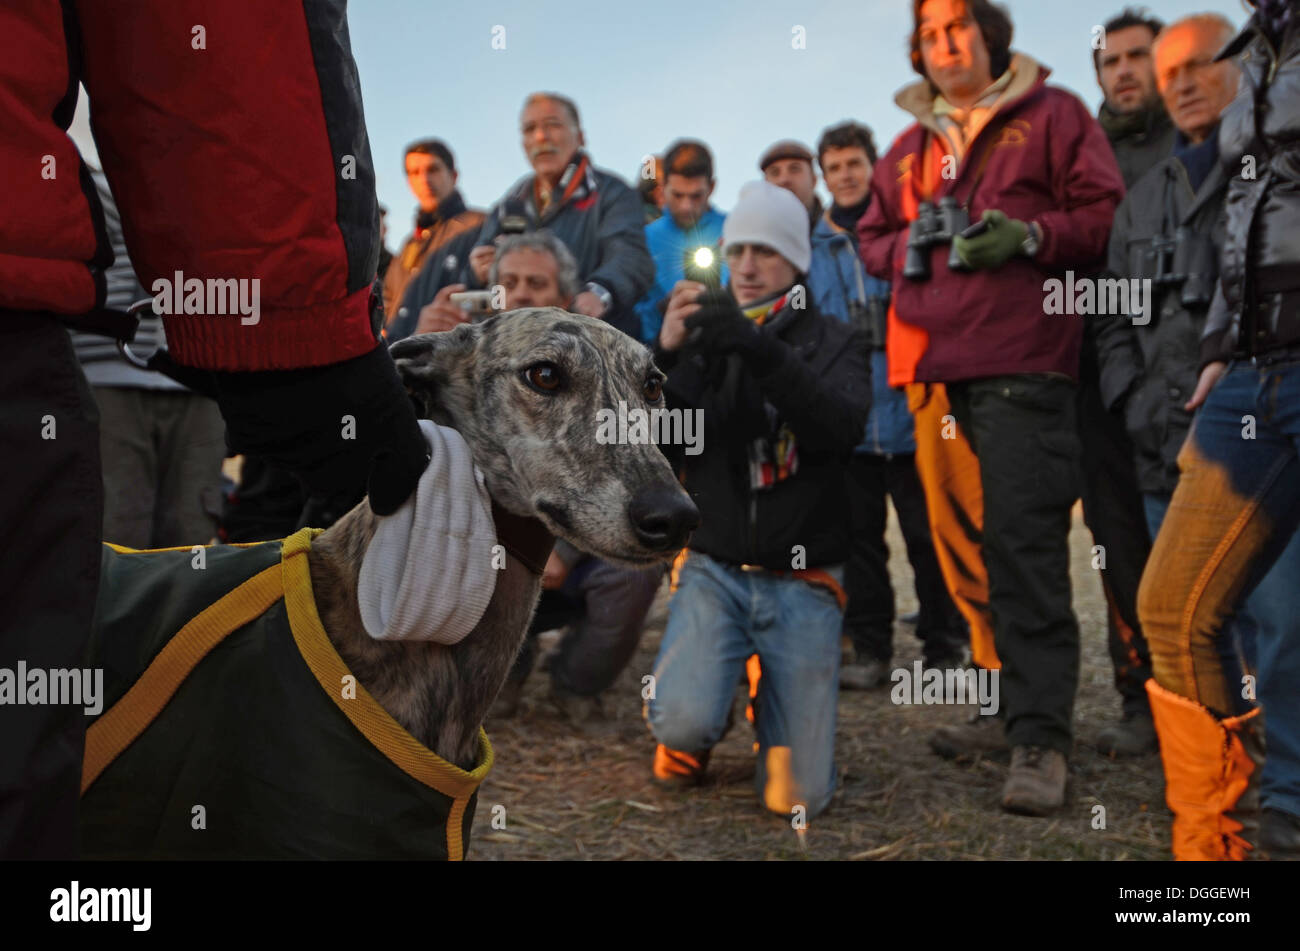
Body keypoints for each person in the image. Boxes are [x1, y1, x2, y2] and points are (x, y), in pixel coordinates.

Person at [2, 2, 428, 859]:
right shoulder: (85, 181)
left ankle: (143, 716)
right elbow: (199, 38)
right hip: (77, 362)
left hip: (170, 385)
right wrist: (296, 341)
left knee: (174, 549)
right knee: (105, 571)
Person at [858, 0, 1124, 814]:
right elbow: (870, 237)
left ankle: (1043, 738)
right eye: (929, 34)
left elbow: (1103, 210)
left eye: (958, 27)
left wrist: (1030, 235)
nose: (944, 45)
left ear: (989, 35)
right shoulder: (905, 147)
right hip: (930, 370)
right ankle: (1008, 708)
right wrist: (916, 244)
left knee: (1025, 546)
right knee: (963, 551)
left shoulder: (1054, 113)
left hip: (1023, 362)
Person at [646, 180, 871, 819]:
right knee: (681, 723)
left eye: (766, 252)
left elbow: (840, 429)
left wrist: (760, 350)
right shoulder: (702, 331)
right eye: (736, 248)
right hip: (715, 566)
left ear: (797, 263)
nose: (747, 266)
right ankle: (695, 720)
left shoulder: (837, 339)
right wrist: (666, 355)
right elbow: (662, 444)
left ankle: (765, 690)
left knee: (795, 796)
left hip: (804, 576)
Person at [1136, 0, 1300, 861]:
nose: (1179, 87)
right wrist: (1219, 342)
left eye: (1186, 67)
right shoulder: (1260, 58)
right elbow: (1243, 220)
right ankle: (1215, 858)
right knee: (1174, 606)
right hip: (1251, 367)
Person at [809, 121, 967, 688]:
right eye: (834, 167)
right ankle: (873, 651)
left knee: (929, 535)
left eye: (854, 164)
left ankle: (945, 644)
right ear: (823, 177)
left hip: (909, 410)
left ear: (873, 168)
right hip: (850, 418)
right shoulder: (813, 250)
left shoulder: (902, 229)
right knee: (860, 541)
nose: (845, 175)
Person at [68, 167, 226, 549]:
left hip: (201, 374)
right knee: (112, 532)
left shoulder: (220, 168)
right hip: (104, 371)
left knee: (190, 539)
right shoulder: (69, 156)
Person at [464, 92, 654, 339]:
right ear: (523, 144)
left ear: (581, 137)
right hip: (519, 344)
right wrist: (477, 270)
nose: (541, 137)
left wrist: (598, 294)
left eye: (553, 125)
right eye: (530, 129)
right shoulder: (509, 203)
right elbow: (477, 274)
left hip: (597, 343)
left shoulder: (613, 193)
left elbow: (629, 256)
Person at [382, 139, 486, 329]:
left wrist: (450, 312)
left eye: (433, 170)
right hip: (399, 354)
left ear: (453, 175)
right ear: (408, 182)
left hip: (451, 353)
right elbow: (388, 302)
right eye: (415, 173)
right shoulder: (408, 245)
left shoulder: (482, 226)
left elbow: (503, 297)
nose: (425, 180)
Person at [634, 140, 727, 345]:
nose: (686, 206)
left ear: (711, 187)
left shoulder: (735, 230)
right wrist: (663, 308)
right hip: (664, 357)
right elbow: (632, 316)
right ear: (663, 186)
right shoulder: (642, 239)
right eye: (677, 195)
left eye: (696, 196)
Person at [1095, 7, 1176, 188]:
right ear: (1098, 78)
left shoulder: (1201, 136)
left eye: (1137, 55)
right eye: (1111, 62)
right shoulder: (1080, 156)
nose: (1124, 72)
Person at [760, 139, 824, 234]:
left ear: (814, 180)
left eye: (794, 169)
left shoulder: (840, 232)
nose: (784, 180)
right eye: (775, 172)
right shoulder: (746, 238)